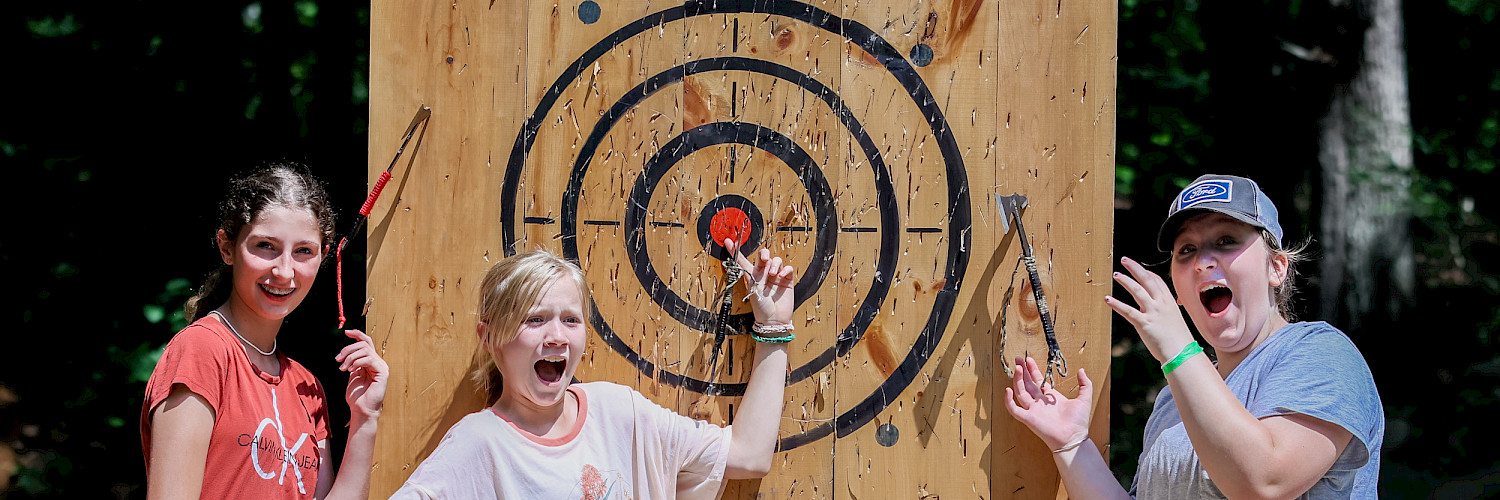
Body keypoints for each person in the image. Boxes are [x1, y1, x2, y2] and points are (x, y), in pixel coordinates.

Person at [1006, 174, 1383, 499]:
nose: (1203, 261)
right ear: (1178, 293)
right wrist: (1072, 444)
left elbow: (1265, 482)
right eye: (1187, 250)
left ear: (1277, 268)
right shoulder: (1174, 396)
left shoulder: (1322, 353)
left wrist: (1176, 348)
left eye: (1226, 241)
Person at [391, 240, 795, 499]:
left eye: (570, 320)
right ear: (489, 336)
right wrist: (368, 421)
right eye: (534, 320)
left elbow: (749, 455)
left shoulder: (622, 414)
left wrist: (775, 327)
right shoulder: (477, 444)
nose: (557, 336)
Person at [141, 164, 388, 499]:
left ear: (324, 257)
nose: (284, 271)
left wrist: (366, 416)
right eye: (265, 246)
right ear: (227, 247)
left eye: (303, 251)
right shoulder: (202, 350)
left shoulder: (306, 386)